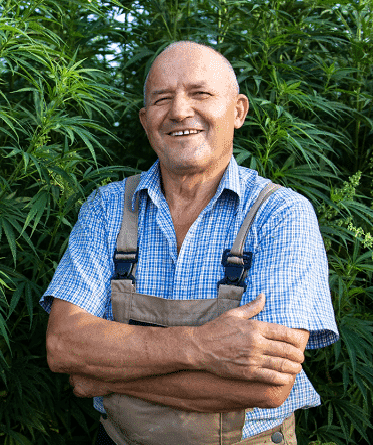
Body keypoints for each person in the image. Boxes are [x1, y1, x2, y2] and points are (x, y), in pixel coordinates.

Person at [41, 41, 339, 445]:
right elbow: (64, 345)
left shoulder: (281, 214)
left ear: (238, 111)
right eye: (162, 99)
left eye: (200, 93)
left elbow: (268, 388)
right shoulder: (108, 207)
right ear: (146, 121)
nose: (180, 111)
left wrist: (105, 374)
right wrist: (199, 346)